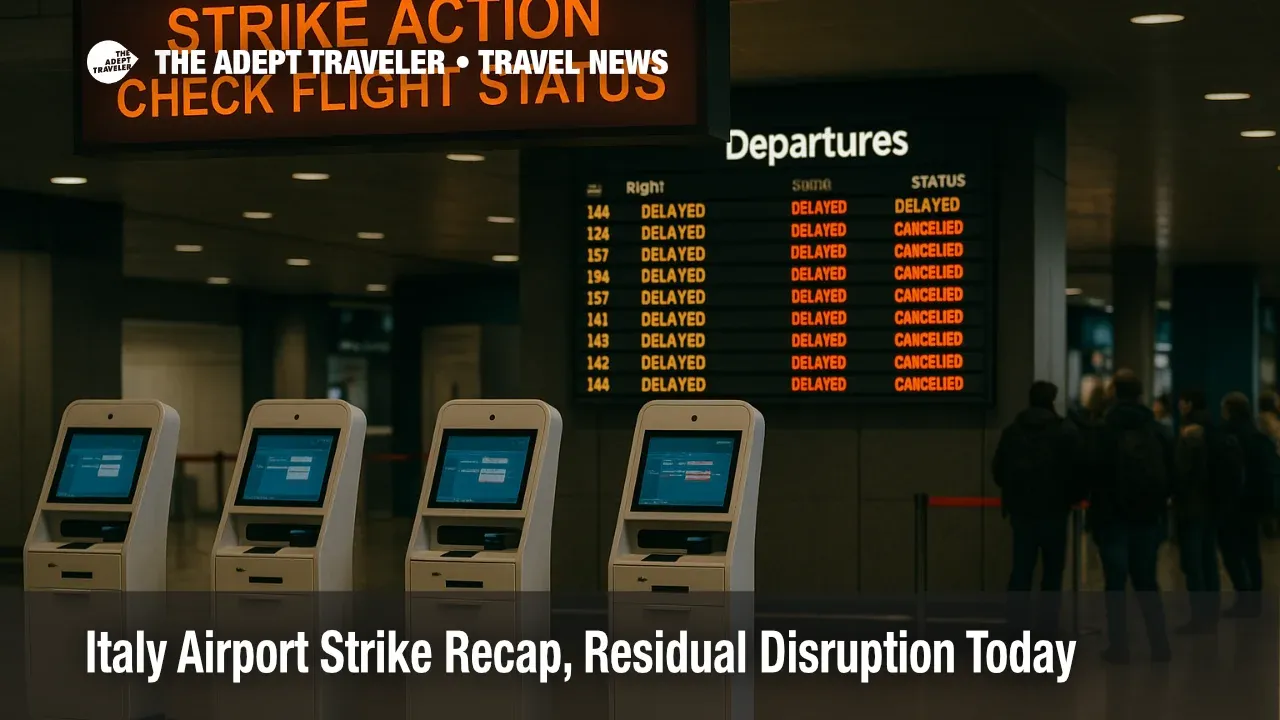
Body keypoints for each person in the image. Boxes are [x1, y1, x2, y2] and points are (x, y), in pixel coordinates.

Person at [1090, 369, 1173, 662]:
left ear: (1114, 392)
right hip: (1148, 517)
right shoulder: (1157, 429)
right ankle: (1159, 645)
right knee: (1147, 581)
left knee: (1115, 583)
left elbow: (1092, 472)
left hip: (1111, 517)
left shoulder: (1103, 429)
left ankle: (1119, 647)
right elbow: (1172, 474)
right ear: (1140, 394)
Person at [992, 381, 1082, 635]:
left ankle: (1016, 625)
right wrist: (1071, 498)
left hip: (1022, 512)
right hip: (1055, 511)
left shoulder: (1012, 431)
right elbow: (1077, 471)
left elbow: (998, 471)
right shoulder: (1065, 431)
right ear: (1052, 400)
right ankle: (1048, 625)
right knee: (1052, 572)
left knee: (1021, 569)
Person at [1172, 389, 1242, 632]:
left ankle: (1199, 617)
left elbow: (1181, 472)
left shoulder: (1190, 432)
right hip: (1214, 505)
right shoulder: (1215, 429)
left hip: (1193, 506)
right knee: (1209, 559)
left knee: (1193, 563)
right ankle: (1210, 614)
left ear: (1189, 404)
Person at [1218, 392, 1274, 617]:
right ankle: (1255, 600)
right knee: (1251, 552)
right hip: (1254, 504)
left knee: (1231, 552)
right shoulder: (1259, 438)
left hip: (1231, 504)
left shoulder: (1226, 436)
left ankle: (1243, 597)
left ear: (1228, 410)